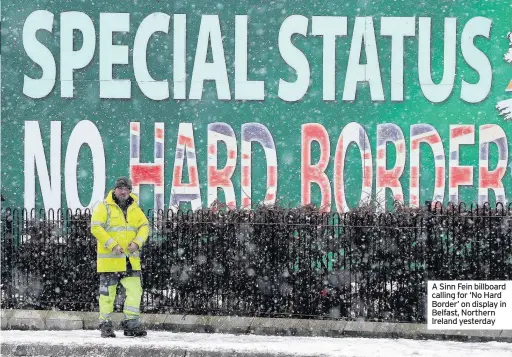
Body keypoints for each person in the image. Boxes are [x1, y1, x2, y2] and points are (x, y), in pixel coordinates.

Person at [91, 176, 149, 338]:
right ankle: (106, 324)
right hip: (110, 260)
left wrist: (137, 243)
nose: (123, 192)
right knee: (107, 295)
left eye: (126, 189)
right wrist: (112, 245)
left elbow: (144, 227)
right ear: (115, 190)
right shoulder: (104, 207)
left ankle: (131, 324)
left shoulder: (135, 208)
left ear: (130, 190)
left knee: (135, 291)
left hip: (130, 260)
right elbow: (96, 228)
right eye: (120, 188)